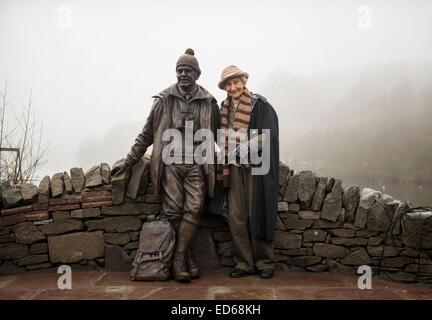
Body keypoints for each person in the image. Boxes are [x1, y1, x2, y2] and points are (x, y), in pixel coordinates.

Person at [111, 49, 220, 282]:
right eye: (179, 70)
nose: (182, 74)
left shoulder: (209, 102)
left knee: (195, 207)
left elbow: (220, 135)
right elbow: (147, 134)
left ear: (197, 74)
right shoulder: (163, 99)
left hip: (197, 163)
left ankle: (179, 256)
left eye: (187, 70)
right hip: (169, 163)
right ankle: (185, 258)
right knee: (173, 210)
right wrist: (130, 160)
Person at [216, 65, 279, 279]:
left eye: (236, 82)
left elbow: (269, 134)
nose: (233, 87)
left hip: (256, 167)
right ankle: (244, 263)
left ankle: (264, 262)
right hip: (233, 168)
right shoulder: (222, 109)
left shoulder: (260, 106)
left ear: (243, 81)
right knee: (237, 216)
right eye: (228, 84)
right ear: (225, 87)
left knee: (257, 212)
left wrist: (247, 145)